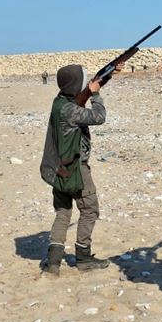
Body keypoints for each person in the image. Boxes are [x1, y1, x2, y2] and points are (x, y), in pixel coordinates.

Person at [39, 63, 122, 277]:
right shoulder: (70, 110)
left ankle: (53, 263)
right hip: (75, 169)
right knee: (90, 210)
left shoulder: (60, 102)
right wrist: (96, 96)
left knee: (63, 213)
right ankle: (83, 257)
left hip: (58, 169)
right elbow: (98, 117)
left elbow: (83, 92)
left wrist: (108, 75)